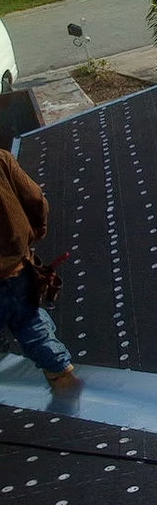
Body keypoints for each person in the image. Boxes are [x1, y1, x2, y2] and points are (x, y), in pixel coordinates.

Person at [0, 148, 77, 390]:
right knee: (29, 320)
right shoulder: (1, 158)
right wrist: (37, 228)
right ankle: (60, 372)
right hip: (16, 268)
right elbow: (34, 197)